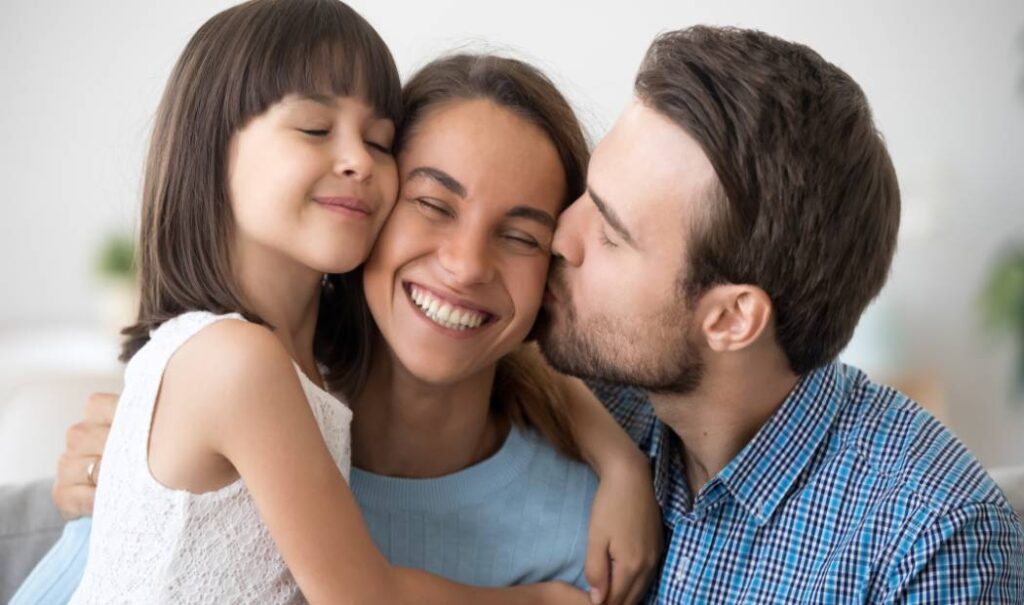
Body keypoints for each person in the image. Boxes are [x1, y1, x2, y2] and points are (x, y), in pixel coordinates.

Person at [10, 1, 661, 604]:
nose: (464, 265)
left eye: (522, 236)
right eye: (432, 204)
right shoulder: (244, 376)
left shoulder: (590, 534)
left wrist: (621, 459)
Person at [536, 25, 1024, 602]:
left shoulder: (931, 545)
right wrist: (616, 460)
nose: (559, 234)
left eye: (611, 234)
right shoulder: (601, 402)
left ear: (731, 319)